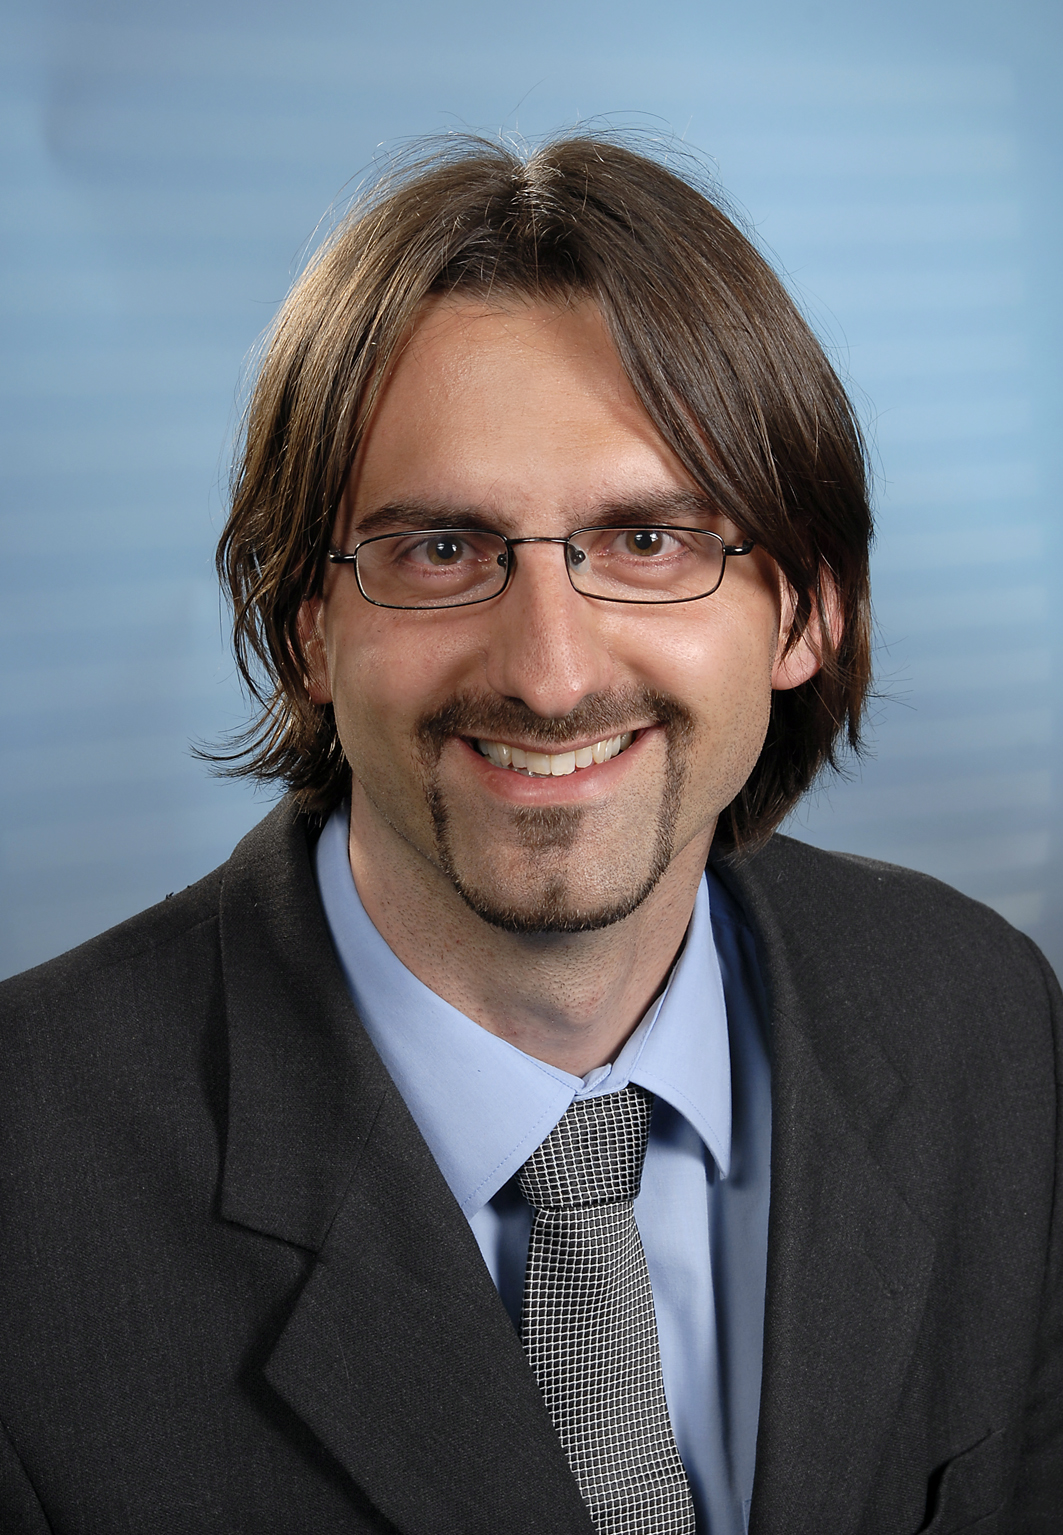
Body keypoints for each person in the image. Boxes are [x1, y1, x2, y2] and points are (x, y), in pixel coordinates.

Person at [0, 135, 1059, 1535]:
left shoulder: (983, 1022)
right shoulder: (28, 1181)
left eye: (649, 542)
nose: (551, 677)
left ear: (808, 611)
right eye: (441, 550)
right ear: (307, 628)